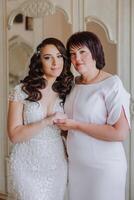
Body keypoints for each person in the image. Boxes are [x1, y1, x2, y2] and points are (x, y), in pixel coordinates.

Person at [55, 31, 130, 200]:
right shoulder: (73, 84)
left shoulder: (112, 84)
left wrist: (76, 125)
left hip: (104, 168)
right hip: (77, 166)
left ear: (95, 52)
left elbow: (120, 133)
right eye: (73, 54)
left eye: (82, 52)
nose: (77, 59)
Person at [7, 37, 74, 200]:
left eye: (59, 56)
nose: (55, 63)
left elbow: (68, 130)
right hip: (26, 163)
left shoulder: (68, 91)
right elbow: (14, 135)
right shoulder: (21, 91)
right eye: (48, 57)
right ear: (39, 61)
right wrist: (46, 121)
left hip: (56, 164)